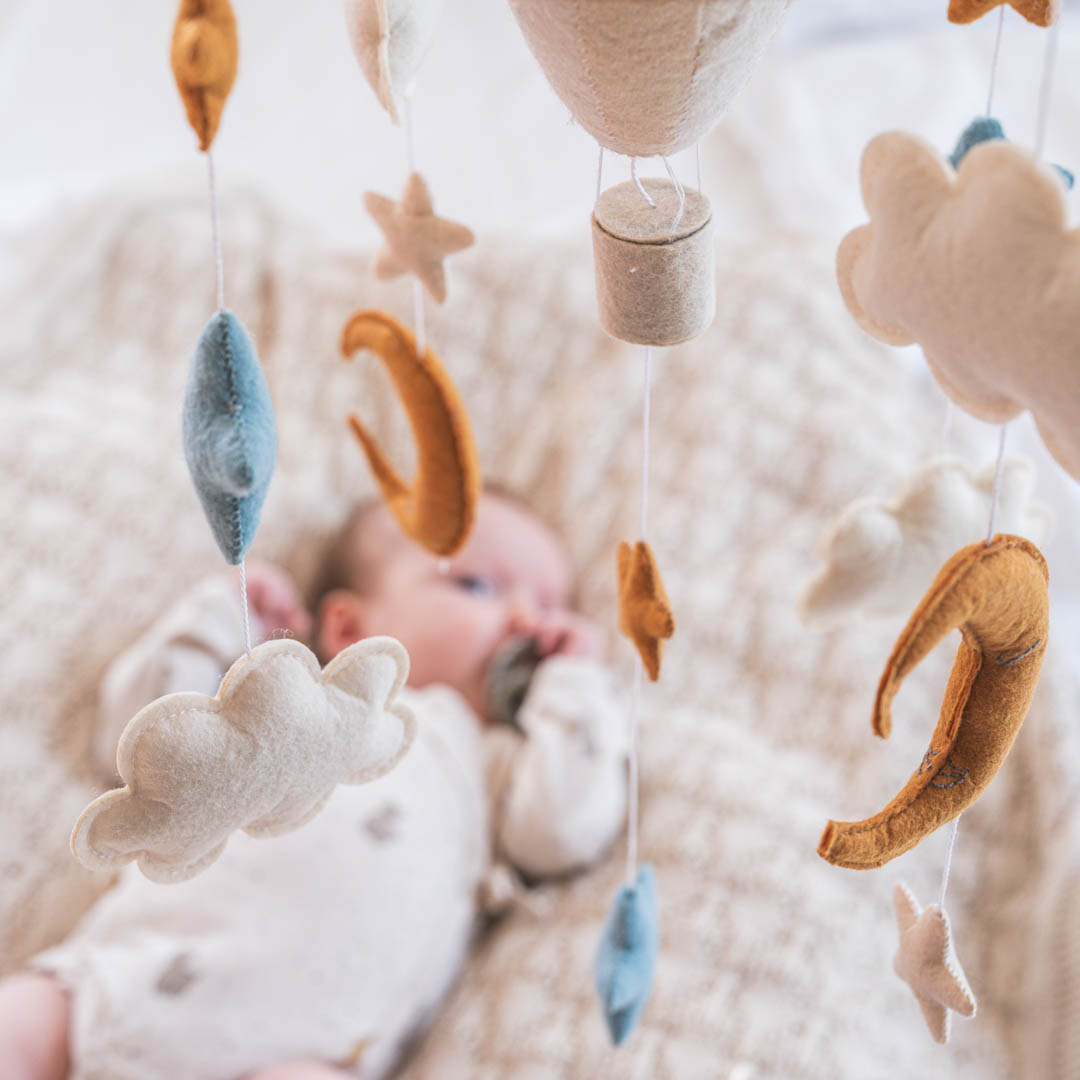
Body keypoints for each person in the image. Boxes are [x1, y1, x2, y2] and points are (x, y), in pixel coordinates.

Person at [0, 491, 628, 1080]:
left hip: (299, 1051)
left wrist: (575, 684)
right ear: (351, 629)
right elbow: (146, 744)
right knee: (23, 1023)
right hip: (121, 977)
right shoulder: (288, 699)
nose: (526, 620)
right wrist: (224, 618)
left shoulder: (493, 762)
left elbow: (563, 830)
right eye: (476, 585)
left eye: (551, 608)